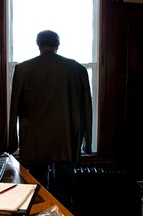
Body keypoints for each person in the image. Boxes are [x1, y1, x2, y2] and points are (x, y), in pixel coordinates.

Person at [8, 30, 92, 210]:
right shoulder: (78, 69)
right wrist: (87, 142)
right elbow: (87, 109)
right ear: (58, 46)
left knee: (38, 196)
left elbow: (14, 108)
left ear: (38, 45)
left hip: (35, 143)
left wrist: (11, 142)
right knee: (64, 195)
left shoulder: (23, 69)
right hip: (67, 141)